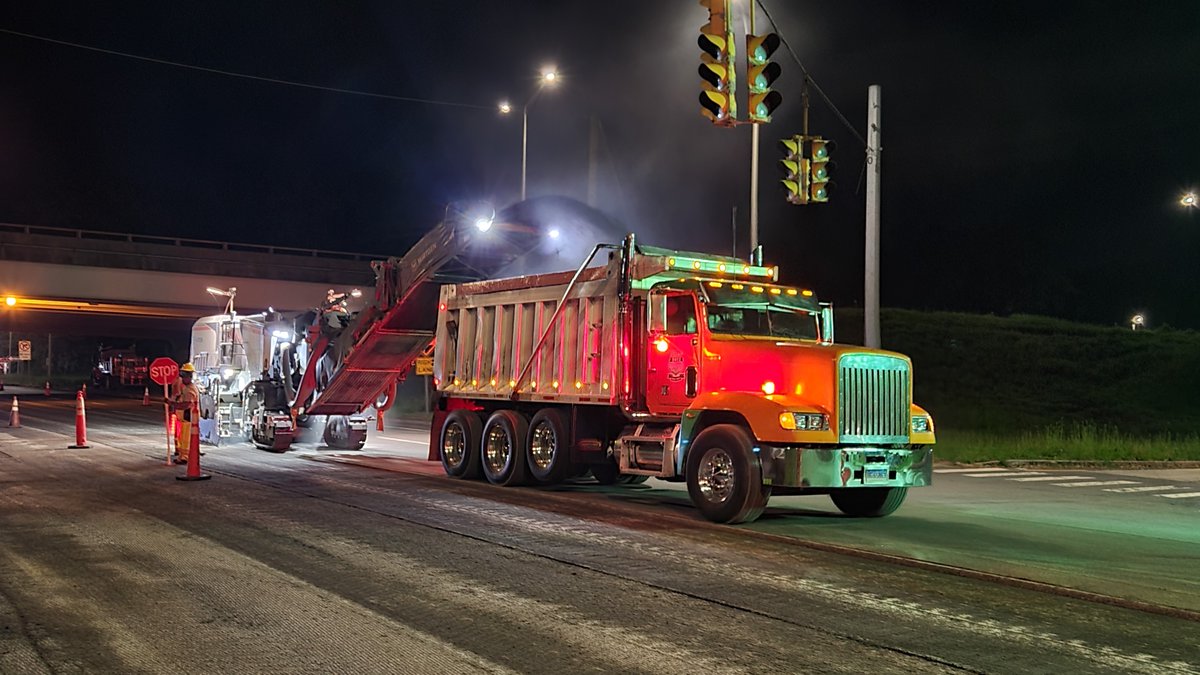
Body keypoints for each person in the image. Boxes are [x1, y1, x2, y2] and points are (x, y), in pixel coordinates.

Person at [166, 362, 201, 463]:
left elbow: (185, 405)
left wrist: (172, 404)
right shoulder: (186, 387)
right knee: (183, 438)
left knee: (186, 439)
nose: (182, 378)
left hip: (188, 417)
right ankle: (182, 455)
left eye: (184, 375)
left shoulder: (190, 389)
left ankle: (185, 457)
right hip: (185, 418)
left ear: (189, 376)